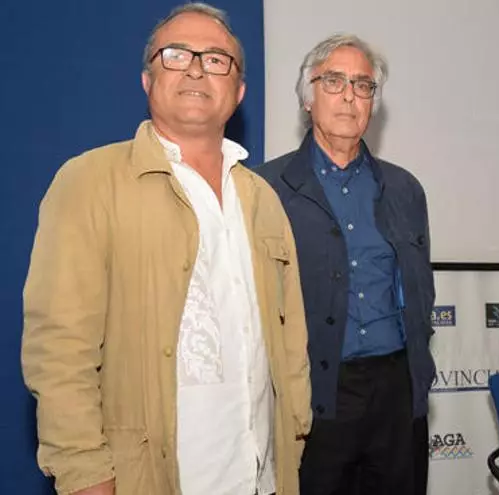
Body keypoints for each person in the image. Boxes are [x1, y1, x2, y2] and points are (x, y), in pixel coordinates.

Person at [21, 4, 311, 494]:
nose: (196, 69)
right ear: (147, 79)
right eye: (176, 54)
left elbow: (291, 340)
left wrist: (295, 436)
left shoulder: (262, 198)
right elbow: (59, 351)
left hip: (261, 478)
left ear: (239, 91)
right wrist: (85, 474)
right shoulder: (89, 183)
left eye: (216, 59)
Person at [257, 34, 435, 495]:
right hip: (314, 391)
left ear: (373, 103)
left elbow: (420, 293)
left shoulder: (404, 189)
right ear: (307, 97)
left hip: (396, 393)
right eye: (334, 81)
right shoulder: (265, 189)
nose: (349, 96)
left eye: (362, 85)